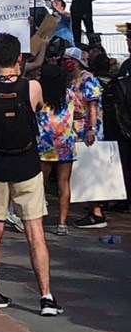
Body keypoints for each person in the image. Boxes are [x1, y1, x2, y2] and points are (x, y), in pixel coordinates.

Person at [0, 32, 62, 316]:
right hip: (27, 164)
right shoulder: (32, 87)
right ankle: (46, 297)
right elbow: (37, 108)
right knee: (35, 233)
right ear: (19, 58)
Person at [65, 53, 107, 228]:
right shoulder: (72, 80)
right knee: (82, 171)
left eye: (68, 59)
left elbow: (92, 105)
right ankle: (92, 209)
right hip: (76, 131)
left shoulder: (88, 79)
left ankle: (97, 212)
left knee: (90, 171)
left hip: (87, 132)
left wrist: (91, 129)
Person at [36, 61, 76, 236]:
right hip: (65, 145)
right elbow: (80, 113)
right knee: (64, 184)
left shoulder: (40, 96)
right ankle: (62, 223)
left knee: (40, 185)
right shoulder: (69, 95)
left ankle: (39, 219)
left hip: (44, 145)